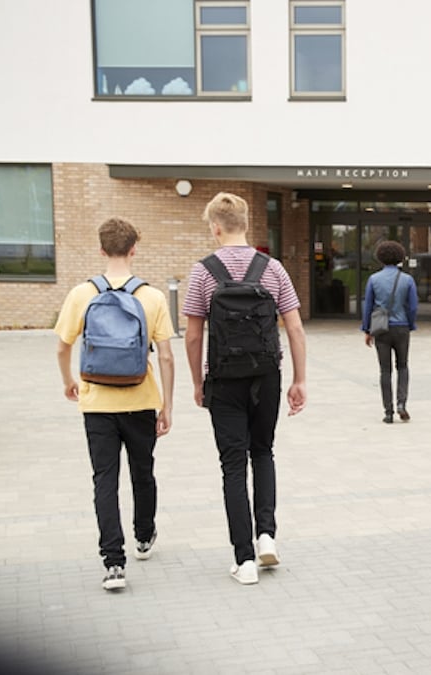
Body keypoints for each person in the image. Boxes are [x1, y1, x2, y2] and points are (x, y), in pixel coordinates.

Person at [183, 192, 307, 586]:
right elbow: (295, 327)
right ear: (247, 225)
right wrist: (299, 380)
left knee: (233, 464)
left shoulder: (203, 272)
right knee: (263, 451)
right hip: (266, 375)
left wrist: (197, 381)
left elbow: (191, 335)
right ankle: (266, 534)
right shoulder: (272, 269)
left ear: (215, 227)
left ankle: (244, 559)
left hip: (223, 377)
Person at [53, 217, 175, 591]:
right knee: (143, 471)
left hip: (96, 404)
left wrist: (70, 382)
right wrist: (166, 406)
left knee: (105, 479)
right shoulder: (151, 297)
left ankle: (114, 564)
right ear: (134, 248)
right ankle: (144, 536)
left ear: (101, 249)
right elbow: (167, 357)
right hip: (140, 401)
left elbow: (62, 347)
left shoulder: (81, 294)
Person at [361, 240, 418, 424]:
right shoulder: (408, 280)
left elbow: (368, 306)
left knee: (384, 370)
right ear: (400, 257)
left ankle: (388, 411)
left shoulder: (373, 279)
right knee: (402, 366)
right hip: (401, 327)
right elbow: (413, 307)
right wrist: (410, 324)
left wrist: (367, 329)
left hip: (381, 329)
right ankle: (402, 402)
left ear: (380, 257)